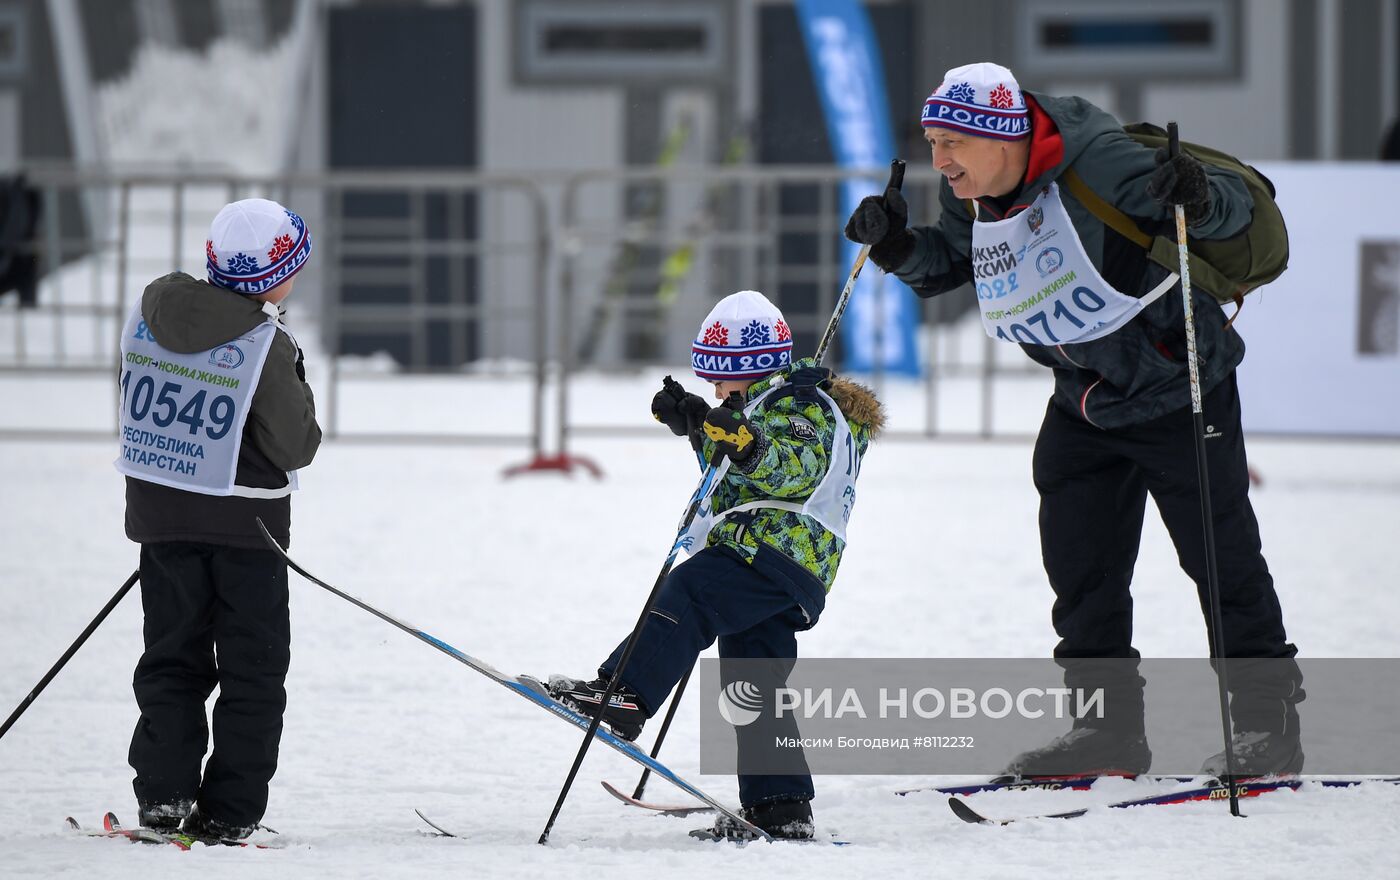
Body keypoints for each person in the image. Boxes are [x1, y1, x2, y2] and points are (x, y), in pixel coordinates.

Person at [845, 62, 1303, 778]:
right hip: (1082, 396)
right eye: (931, 143)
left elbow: (1231, 214)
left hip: (1177, 384)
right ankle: (1105, 731)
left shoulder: (1105, 163)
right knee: (1082, 569)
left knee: (1220, 560)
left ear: (1002, 136)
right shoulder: (972, 193)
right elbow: (953, 267)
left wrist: (1200, 194)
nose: (940, 161)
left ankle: (1267, 725)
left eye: (952, 143)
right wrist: (897, 247)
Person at [550, 290, 883, 839]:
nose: (715, 389)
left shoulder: (804, 407)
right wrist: (697, 426)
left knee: (690, 593)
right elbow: (734, 464)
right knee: (753, 682)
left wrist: (745, 444)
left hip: (773, 554)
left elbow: (786, 470)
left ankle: (626, 693)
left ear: (753, 371)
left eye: (720, 381)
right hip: (777, 562)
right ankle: (781, 807)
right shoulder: (761, 406)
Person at [117, 198, 321, 841]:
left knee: (171, 661)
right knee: (252, 671)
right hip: (247, 532)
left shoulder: (149, 319)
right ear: (273, 277)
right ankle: (231, 811)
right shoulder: (264, 343)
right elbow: (295, 447)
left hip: (163, 521)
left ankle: (165, 797)